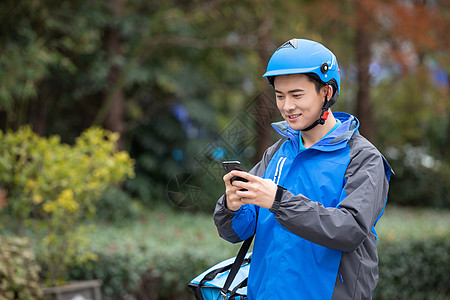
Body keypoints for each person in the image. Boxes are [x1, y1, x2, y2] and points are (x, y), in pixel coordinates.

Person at [213, 38, 393, 299]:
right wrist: (232, 206)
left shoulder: (364, 158)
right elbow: (234, 232)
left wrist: (278, 200)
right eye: (279, 96)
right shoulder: (277, 152)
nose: (287, 106)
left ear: (327, 93)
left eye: (297, 95)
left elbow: (349, 230)